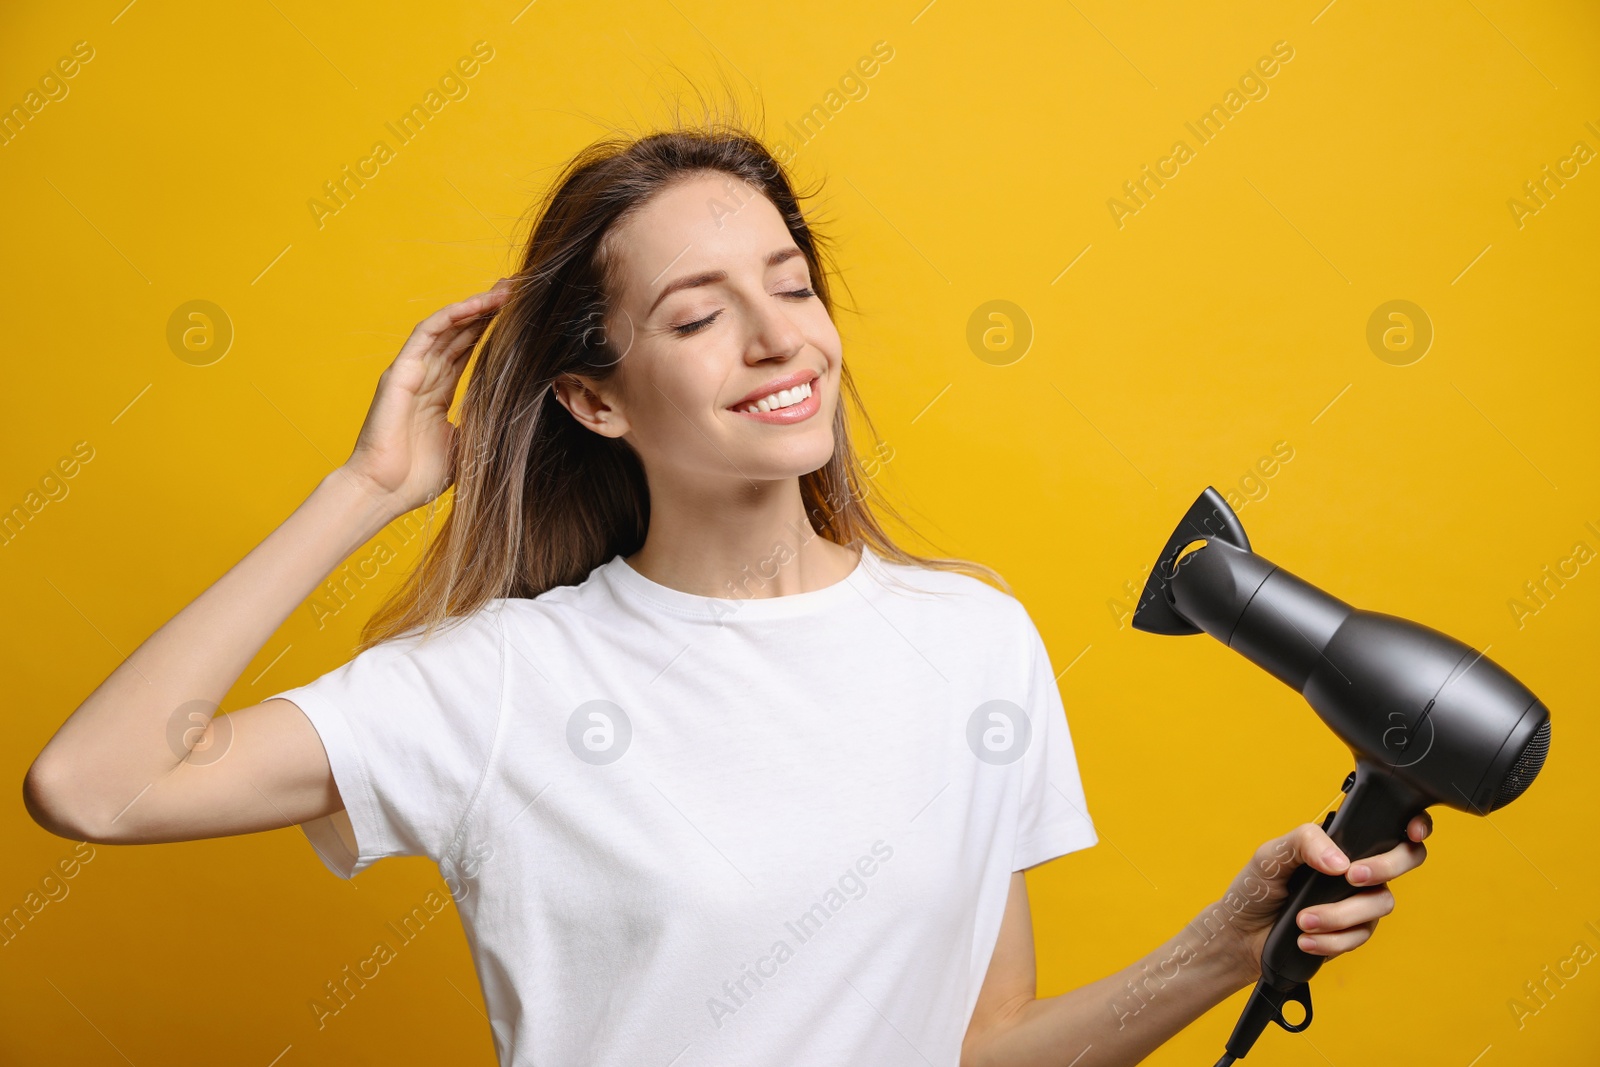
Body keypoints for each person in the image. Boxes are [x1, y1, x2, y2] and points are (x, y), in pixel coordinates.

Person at [23, 114, 1429, 1067]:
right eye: (696, 317)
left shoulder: (971, 642)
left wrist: (1222, 950)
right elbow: (96, 788)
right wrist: (369, 492)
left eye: (793, 286)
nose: (775, 340)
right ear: (593, 397)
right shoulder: (501, 684)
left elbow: (977, 1051)